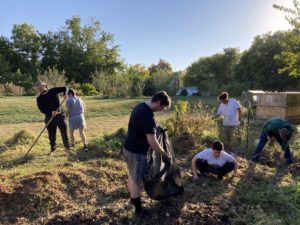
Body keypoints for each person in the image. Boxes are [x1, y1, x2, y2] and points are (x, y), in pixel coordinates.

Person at [123, 91, 171, 215]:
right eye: (162, 107)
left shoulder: (140, 106)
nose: (161, 110)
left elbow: (144, 129)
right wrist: (164, 154)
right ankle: (138, 210)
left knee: (132, 176)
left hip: (128, 148)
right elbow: (152, 142)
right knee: (136, 181)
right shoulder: (147, 116)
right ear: (158, 102)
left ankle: (133, 200)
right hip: (136, 153)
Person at [35, 81, 70, 155]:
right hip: (49, 117)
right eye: (38, 88)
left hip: (60, 116)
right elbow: (42, 109)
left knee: (64, 132)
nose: (40, 89)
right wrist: (51, 112)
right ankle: (52, 149)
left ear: (45, 86)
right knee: (51, 134)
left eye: (41, 87)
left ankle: (67, 148)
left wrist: (65, 94)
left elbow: (65, 88)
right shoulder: (39, 98)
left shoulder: (53, 91)